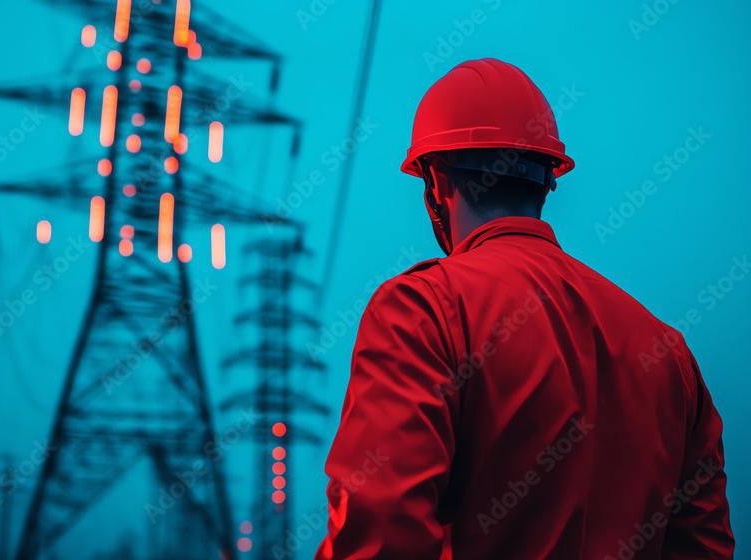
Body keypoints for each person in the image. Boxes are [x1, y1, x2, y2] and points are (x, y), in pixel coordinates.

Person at [314, 58, 734, 559]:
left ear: (435, 182)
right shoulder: (669, 354)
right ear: (547, 181)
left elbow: (380, 537)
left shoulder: (422, 311)